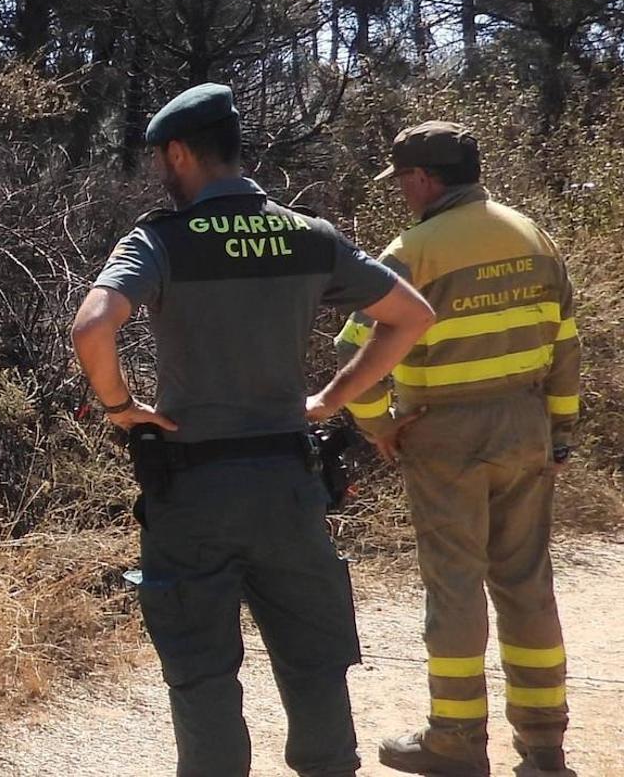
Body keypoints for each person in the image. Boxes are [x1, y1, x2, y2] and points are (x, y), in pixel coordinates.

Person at [70, 83, 435, 777]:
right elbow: (411, 314)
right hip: (288, 484)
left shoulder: (161, 241)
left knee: (203, 673)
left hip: (192, 490)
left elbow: (92, 327)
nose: (159, 173)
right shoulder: (309, 236)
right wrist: (331, 397)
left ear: (180, 151)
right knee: (314, 658)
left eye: (161, 159)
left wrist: (121, 408)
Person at [335, 121, 581, 777]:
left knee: (455, 587)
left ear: (425, 178)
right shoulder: (533, 235)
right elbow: (565, 345)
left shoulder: (413, 250)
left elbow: (351, 351)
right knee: (527, 584)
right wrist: (559, 434)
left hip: (443, 434)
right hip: (525, 425)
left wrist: (377, 423)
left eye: (404, 182)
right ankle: (545, 746)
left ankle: (456, 739)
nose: (402, 195)